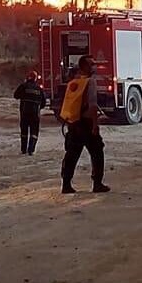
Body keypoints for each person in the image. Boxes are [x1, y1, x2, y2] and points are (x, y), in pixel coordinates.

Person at [57, 58, 109, 194]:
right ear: (85, 66)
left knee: (72, 154)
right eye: (92, 64)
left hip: (74, 123)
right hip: (86, 123)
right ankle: (97, 183)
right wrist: (95, 125)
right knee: (97, 152)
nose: (95, 66)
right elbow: (92, 105)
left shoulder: (74, 82)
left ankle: (66, 184)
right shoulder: (90, 82)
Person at [13, 71, 47, 155]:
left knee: (24, 132)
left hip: (24, 112)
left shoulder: (23, 86)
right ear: (35, 78)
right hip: (35, 113)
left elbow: (15, 96)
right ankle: (31, 150)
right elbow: (43, 102)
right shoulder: (39, 89)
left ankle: (23, 150)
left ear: (28, 77)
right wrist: (38, 107)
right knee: (34, 132)